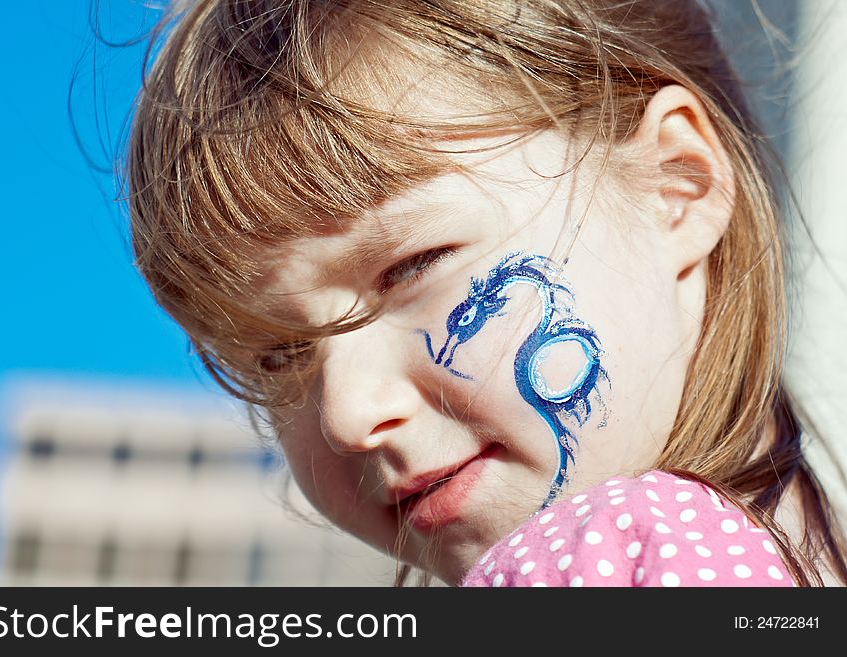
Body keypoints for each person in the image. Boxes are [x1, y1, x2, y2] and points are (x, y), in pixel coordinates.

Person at [124, 0, 847, 586]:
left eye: (411, 265)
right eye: (279, 355)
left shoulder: (627, 550)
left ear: (675, 184)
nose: (348, 414)